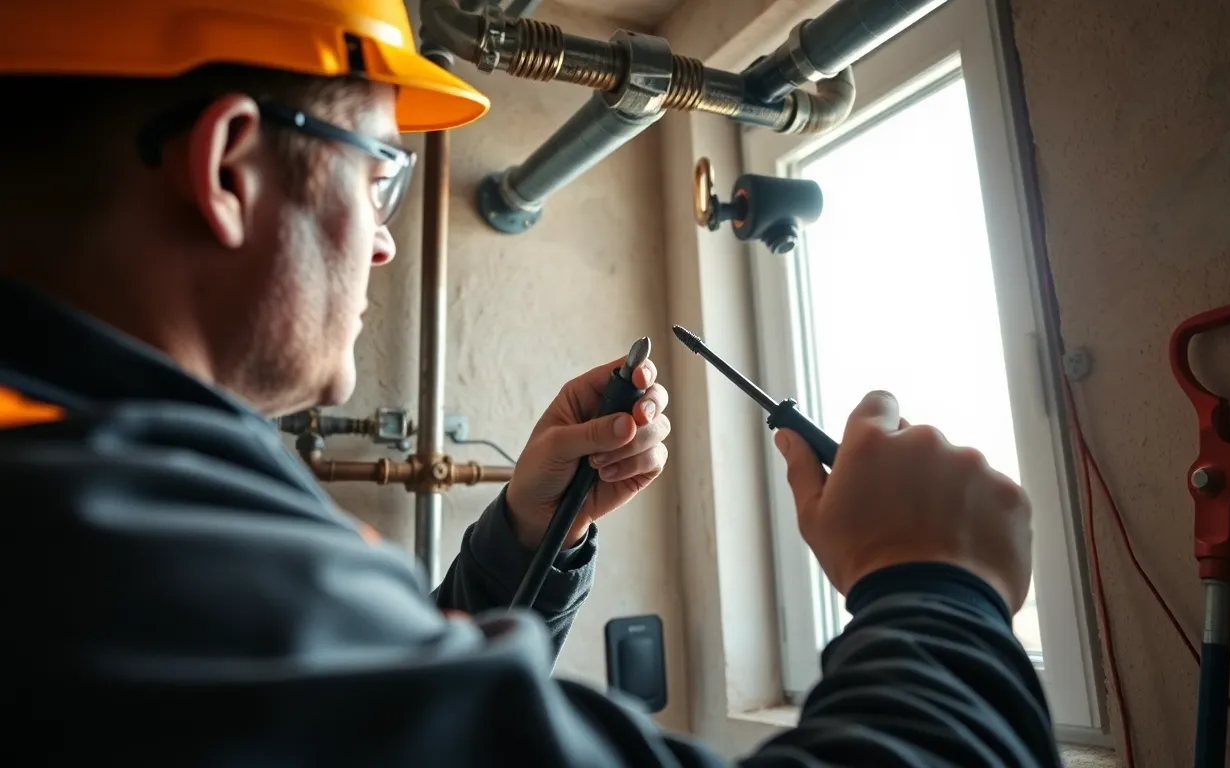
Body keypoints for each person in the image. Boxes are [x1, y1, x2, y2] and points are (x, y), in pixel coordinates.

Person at [1, 1, 1062, 765]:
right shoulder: (137, 555)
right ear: (231, 167)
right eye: (380, 174)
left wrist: (530, 529)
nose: (382, 241)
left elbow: (395, 713)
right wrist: (936, 593)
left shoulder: (87, 494)